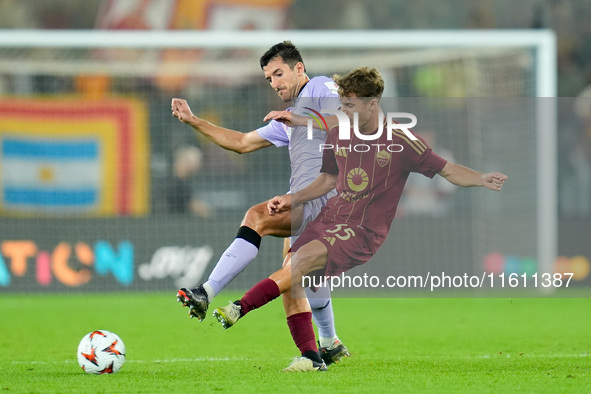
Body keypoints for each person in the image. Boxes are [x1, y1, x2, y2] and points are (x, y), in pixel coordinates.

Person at [211, 66, 508, 372]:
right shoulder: (339, 132)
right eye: (342, 104)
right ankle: (315, 356)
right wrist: (292, 198)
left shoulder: (400, 139)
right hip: (331, 218)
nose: (343, 111)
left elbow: (446, 169)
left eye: (349, 105)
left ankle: (239, 308)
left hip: (363, 231)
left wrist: (481, 177)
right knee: (295, 273)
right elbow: (327, 179)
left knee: (300, 264)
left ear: (372, 104)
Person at [170, 41, 349, 365]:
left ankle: (208, 292)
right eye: (269, 78)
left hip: (335, 199)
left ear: (299, 68)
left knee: (263, 225)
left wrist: (298, 120)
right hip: (306, 202)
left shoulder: (321, 87)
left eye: (279, 73)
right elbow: (240, 142)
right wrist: (195, 121)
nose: (275, 83)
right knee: (296, 276)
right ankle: (323, 346)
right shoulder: (288, 117)